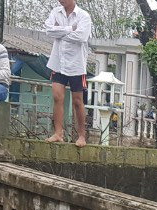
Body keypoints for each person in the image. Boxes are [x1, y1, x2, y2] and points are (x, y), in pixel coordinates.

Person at [43, 0, 92, 147]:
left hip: (76, 63)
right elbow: (48, 30)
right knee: (57, 96)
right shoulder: (55, 12)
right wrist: (70, 28)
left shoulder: (84, 16)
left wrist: (60, 32)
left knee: (78, 101)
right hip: (58, 61)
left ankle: (81, 136)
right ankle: (58, 133)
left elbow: (81, 37)